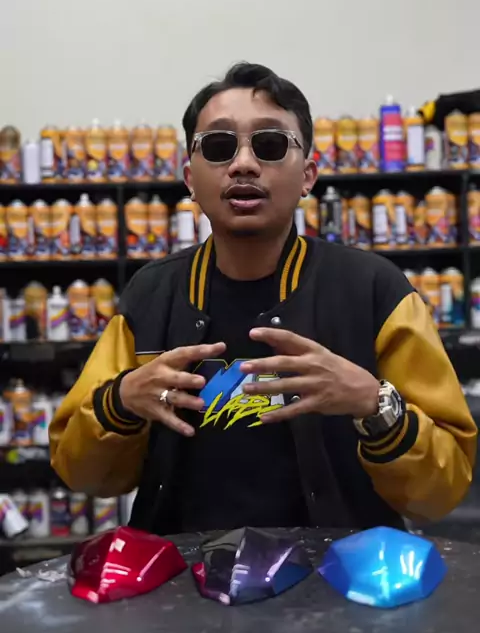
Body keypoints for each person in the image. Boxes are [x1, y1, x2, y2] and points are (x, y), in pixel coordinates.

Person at [50, 62, 477, 533]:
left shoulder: (376, 291)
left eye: (270, 144)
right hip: (181, 573)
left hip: (343, 572)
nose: (243, 164)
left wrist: (373, 404)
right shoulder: (151, 296)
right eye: (219, 146)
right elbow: (81, 472)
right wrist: (121, 401)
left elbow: (443, 489)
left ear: (309, 175)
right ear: (190, 179)